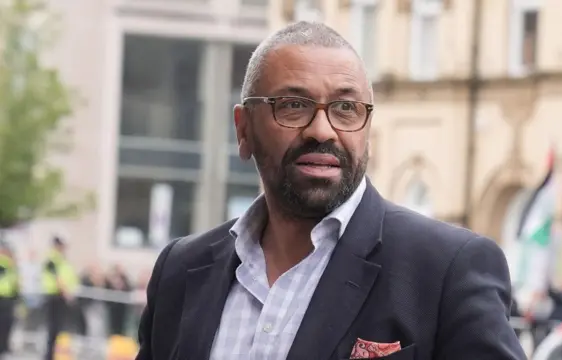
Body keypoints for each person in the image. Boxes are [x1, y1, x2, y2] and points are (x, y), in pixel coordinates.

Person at [136, 21, 525, 360]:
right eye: (293, 105)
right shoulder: (182, 270)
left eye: (345, 108)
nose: (322, 130)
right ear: (244, 129)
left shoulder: (445, 270)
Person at [42, 236, 79, 360]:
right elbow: (57, 278)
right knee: (53, 328)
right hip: (55, 296)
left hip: (60, 297)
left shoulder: (62, 259)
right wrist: (66, 293)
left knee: (56, 329)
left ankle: (51, 355)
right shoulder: (53, 259)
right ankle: (48, 356)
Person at [0, 243, 18, 357]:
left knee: (7, 324)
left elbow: (14, 283)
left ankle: (3, 348)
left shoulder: (12, 267)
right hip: (2, 298)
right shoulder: (4, 264)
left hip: (9, 298)